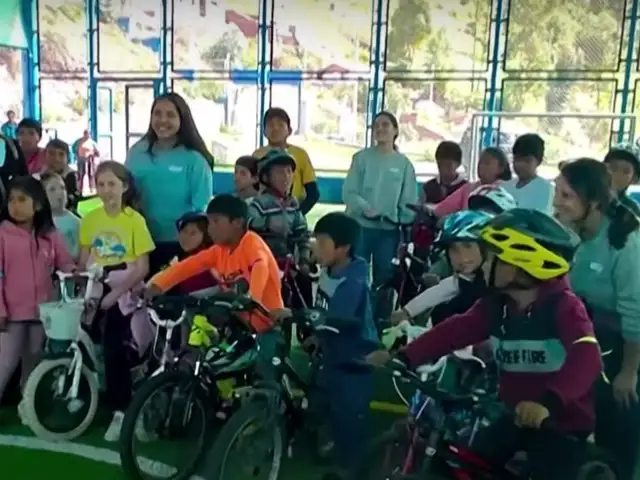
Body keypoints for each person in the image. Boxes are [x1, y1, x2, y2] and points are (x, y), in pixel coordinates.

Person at [367, 208, 603, 479]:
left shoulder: (564, 307)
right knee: (471, 464)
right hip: (513, 415)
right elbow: (454, 331)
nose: (484, 265)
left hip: (561, 423)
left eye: (492, 259)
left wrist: (548, 402)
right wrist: (404, 356)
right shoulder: (495, 305)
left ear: (522, 263)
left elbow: (587, 357)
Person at [271, 212, 377, 474]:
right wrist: (318, 336)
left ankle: (353, 470)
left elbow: (338, 318)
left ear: (343, 248)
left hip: (354, 363)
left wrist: (296, 316)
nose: (315, 246)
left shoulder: (354, 280)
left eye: (322, 241)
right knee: (319, 404)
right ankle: (326, 444)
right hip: (330, 356)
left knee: (349, 427)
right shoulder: (331, 270)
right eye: (315, 240)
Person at [556, 158, 640, 480]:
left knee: (619, 420)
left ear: (591, 202)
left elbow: (635, 313)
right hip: (584, 337)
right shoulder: (569, 233)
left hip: (623, 344)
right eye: (557, 192)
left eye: (566, 196)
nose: (556, 202)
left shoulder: (624, 242)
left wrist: (629, 371)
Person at [145, 194, 283, 377]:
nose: (210, 229)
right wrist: (158, 285)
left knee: (262, 379)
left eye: (216, 222)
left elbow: (261, 266)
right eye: (209, 223)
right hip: (239, 323)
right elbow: (188, 266)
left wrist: (252, 297)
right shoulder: (218, 251)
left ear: (237, 222)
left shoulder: (252, 244)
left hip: (267, 323)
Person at [78, 161, 155, 442]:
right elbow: (84, 259)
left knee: (114, 346)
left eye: (112, 184)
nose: (106, 190)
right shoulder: (90, 219)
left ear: (124, 187)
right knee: (84, 339)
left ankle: (121, 411)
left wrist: (114, 293)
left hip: (126, 290)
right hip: (96, 287)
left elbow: (142, 267)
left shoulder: (134, 220)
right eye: (100, 184)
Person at [0, 176, 75, 406]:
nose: (15, 205)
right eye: (11, 199)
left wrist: (84, 272)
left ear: (38, 204)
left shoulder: (50, 235)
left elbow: (66, 265)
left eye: (22, 199)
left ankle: (28, 406)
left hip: (43, 313)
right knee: (5, 362)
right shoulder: (2, 235)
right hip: (10, 315)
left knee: (33, 360)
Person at [125, 92, 214, 275]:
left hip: (178, 245)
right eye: (157, 114)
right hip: (138, 243)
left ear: (182, 119)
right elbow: (124, 194)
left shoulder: (194, 160)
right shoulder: (137, 152)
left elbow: (201, 208)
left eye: (170, 115)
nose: (162, 120)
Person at [343, 111, 418, 319]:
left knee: (384, 279)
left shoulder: (404, 165)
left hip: (389, 231)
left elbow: (409, 200)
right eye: (377, 125)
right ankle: (354, 319)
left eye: (386, 125)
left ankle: (380, 323)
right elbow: (349, 192)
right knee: (356, 274)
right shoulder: (361, 159)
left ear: (396, 131)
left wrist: (401, 219)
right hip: (360, 227)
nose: (381, 129)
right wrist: (366, 209)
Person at [389, 209, 492, 326]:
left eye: (468, 246)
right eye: (454, 249)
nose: (463, 257)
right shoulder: (466, 279)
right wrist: (406, 312)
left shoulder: (499, 281)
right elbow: (438, 292)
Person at [248, 149, 312, 306]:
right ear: (265, 177)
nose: (286, 177)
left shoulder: (293, 206)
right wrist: (267, 225)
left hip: (289, 266)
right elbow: (247, 226)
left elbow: (302, 234)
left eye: (289, 172)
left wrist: (304, 259)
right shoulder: (259, 204)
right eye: (279, 173)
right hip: (264, 266)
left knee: (302, 299)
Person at [253, 107, 319, 214]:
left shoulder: (300, 154)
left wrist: (297, 214)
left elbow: (313, 193)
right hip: (264, 213)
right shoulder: (257, 155)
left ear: (289, 130)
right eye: (270, 125)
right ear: (264, 131)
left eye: (280, 125)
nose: (275, 129)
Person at [433, 146, 512, 217]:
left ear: (500, 169)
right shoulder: (468, 188)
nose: (481, 165)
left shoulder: (505, 190)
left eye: (486, 163)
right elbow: (442, 209)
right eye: (480, 162)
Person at [501, 133, 553, 214]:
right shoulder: (505, 187)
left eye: (527, 161)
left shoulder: (545, 189)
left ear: (539, 162)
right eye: (517, 159)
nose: (521, 165)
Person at [169, 211, 216, 294]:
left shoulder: (212, 257)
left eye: (193, 233)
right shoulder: (177, 257)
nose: (186, 237)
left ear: (205, 235)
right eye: (184, 231)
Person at [41, 172, 80, 259]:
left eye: (63, 188)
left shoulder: (76, 222)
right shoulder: (40, 223)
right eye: (52, 189)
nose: (60, 193)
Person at [43, 139, 81, 211]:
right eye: (51, 153)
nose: (56, 158)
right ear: (44, 155)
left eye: (61, 154)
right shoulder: (41, 176)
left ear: (67, 158)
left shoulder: (71, 176)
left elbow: (73, 199)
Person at [603, 143, 640, 217]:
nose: (618, 175)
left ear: (634, 179)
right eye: (613, 168)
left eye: (626, 172)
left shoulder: (632, 210)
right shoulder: (588, 196)